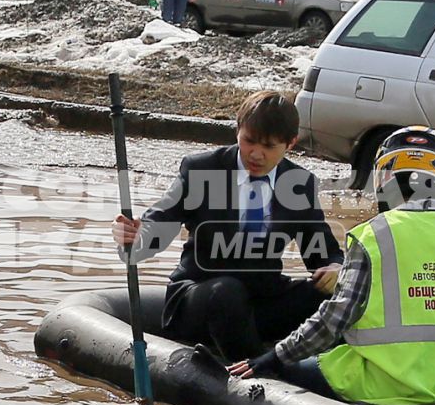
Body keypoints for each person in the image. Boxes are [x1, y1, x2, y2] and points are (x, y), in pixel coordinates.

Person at [227, 127, 435, 405]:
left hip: (381, 385)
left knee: (288, 367)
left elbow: (334, 319)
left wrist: (274, 357)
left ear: (383, 180)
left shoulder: (373, 236)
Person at [112, 91, 342, 362]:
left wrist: (335, 268)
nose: (256, 154)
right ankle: (256, 372)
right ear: (237, 130)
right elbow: (160, 221)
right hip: (200, 298)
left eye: (269, 146)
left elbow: (322, 253)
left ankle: (329, 374)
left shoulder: (300, 183)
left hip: (261, 302)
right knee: (227, 292)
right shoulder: (201, 169)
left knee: (330, 295)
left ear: (290, 144)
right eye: (249, 141)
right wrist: (135, 237)